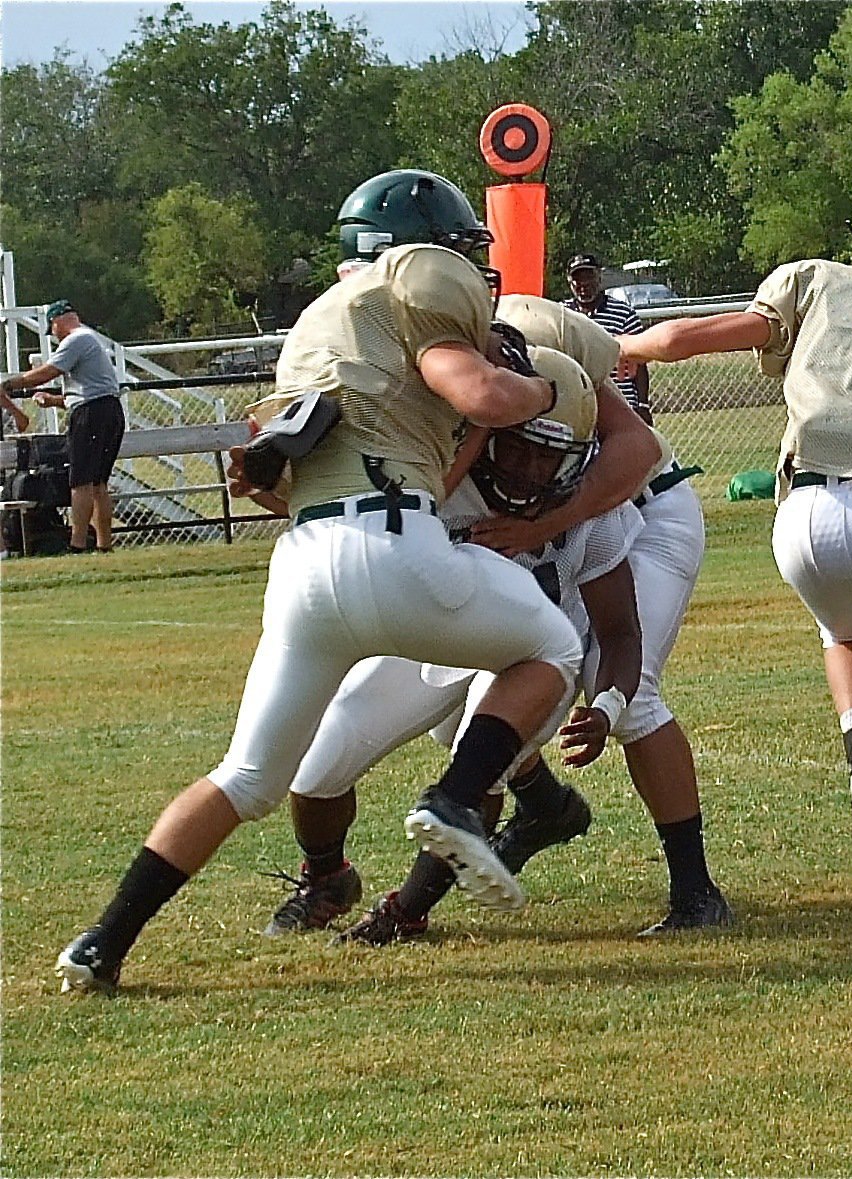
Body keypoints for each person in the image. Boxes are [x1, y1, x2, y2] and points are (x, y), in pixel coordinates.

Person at [54, 169, 596, 994]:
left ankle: (103, 939)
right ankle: (456, 797)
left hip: (304, 566)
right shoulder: (416, 282)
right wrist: (547, 388)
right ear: (422, 251)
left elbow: (269, 479)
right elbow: (481, 394)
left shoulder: (317, 326)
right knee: (551, 647)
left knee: (244, 776)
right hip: (397, 542)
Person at [615, 164, 852, 912]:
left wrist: (621, 350)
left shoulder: (819, 279)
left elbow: (686, 336)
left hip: (800, 517)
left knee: (846, 634)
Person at [260, 345, 644, 943]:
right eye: (515, 447)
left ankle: (405, 911)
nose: (526, 469)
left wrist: (608, 707)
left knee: (478, 766)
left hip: (532, 660)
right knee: (318, 765)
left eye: (546, 457)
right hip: (434, 639)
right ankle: (326, 877)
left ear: (577, 461)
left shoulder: (591, 511)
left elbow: (619, 629)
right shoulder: (440, 484)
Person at [476, 292, 731, 935]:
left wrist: (547, 524)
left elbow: (636, 450)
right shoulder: (440, 347)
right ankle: (541, 803)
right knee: (479, 678)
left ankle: (696, 891)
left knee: (626, 693)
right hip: (561, 521)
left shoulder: (535, 335)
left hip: (642, 510)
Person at [0, 300, 124, 553]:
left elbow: (47, 372)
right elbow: (87, 390)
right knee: (99, 483)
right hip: (110, 410)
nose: (54, 336)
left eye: (52, 329)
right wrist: (53, 400)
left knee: (81, 481)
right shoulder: (91, 339)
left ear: (57, 321)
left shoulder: (76, 339)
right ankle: (104, 545)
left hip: (90, 415)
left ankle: (77, 545)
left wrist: (10, 384)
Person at [563, 252, 651, 417]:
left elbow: (640, 363)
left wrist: (643, 405)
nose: (584, 284)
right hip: (578, 405)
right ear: (569, 281)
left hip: (622, 403)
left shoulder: (624, 314)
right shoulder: (561, 315)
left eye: (589, 276)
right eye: (578, 279)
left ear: (599, 276)